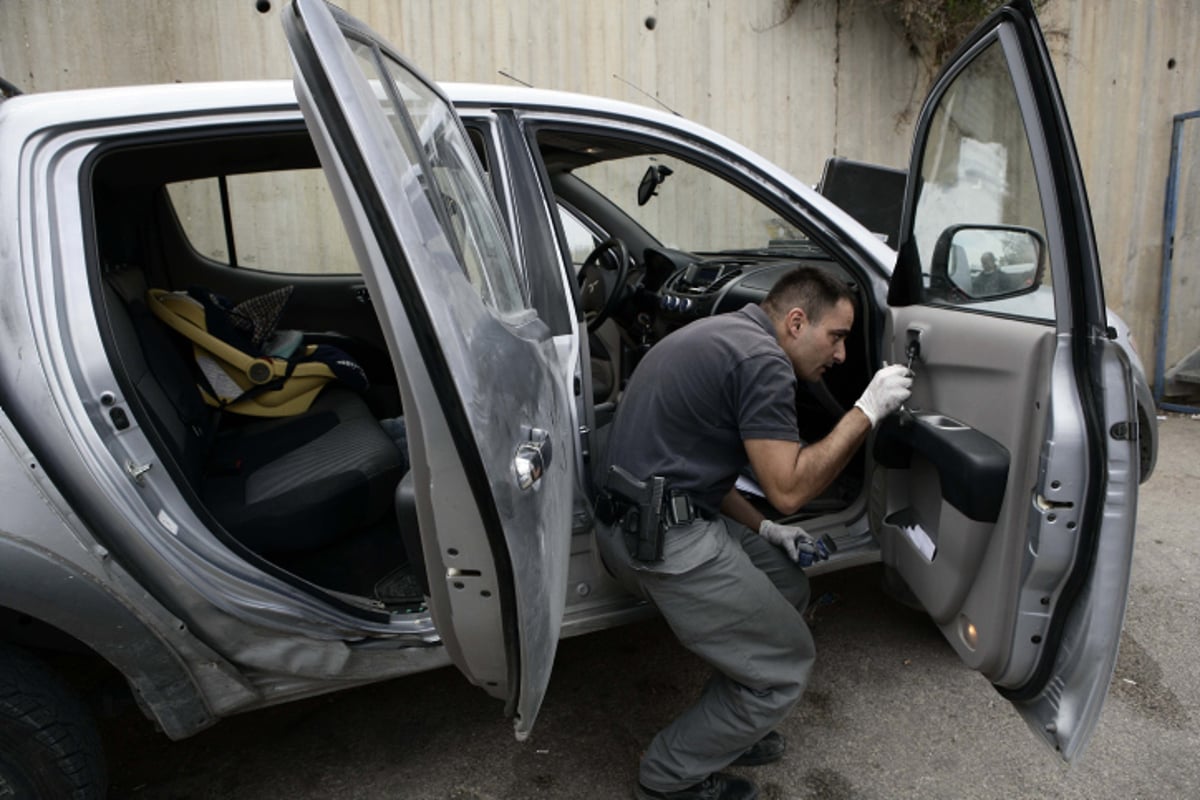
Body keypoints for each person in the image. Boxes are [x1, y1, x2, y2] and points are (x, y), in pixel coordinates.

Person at [594, 266, 912, 800]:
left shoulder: (722, 333)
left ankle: (727, 729)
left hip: (633, 525)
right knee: (786, 666)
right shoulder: (765, 362)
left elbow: (694, 466)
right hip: (663, 545)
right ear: (794, 322)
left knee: (789, 588)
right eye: (835, 337)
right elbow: (789, 490)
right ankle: (669, 777)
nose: (839, 356)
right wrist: (866, 411)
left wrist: (763, 527)